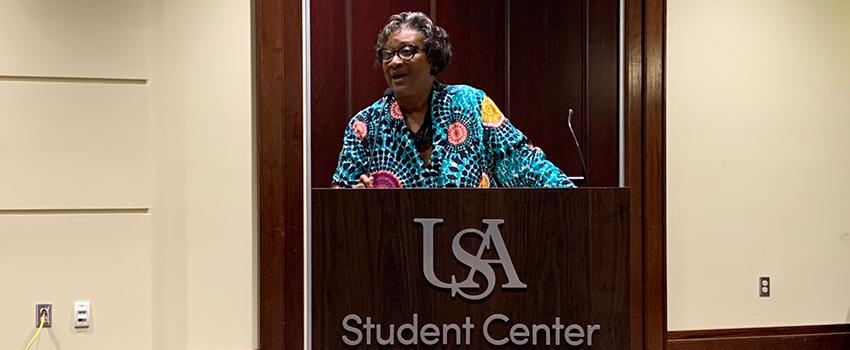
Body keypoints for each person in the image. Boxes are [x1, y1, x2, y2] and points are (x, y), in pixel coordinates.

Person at [332, 11, 575, 189]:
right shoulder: (365, 126)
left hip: (474, 247)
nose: (394, 62)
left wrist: (579, 204)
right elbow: (336, 201)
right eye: (387, 54)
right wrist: (354, 197)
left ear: (432, 57)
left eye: (406, 51)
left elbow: (525, 166)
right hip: (394, 252)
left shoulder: (471, 105)